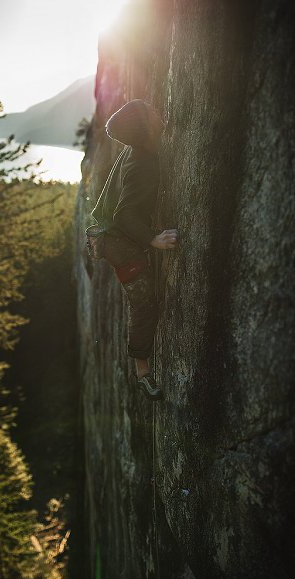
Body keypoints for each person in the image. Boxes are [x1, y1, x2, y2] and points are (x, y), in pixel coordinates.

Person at [91, 99, 178, 400]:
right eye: (149, 112)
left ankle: (141, 368)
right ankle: (142, 373)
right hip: (119, 243)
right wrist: (153, 239)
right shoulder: (143, 162)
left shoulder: (136, 148)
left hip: (114, 234)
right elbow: (124, 215)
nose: (156, 110)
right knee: (144, 303)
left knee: (142, 300)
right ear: (142, 128)